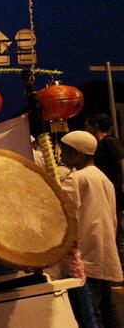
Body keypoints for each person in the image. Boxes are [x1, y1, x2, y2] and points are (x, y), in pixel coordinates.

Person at [59, 130, 123, 327]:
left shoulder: (76, 179)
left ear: (76, 154)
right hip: (105, 252)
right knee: (108, 308)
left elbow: (61, 209)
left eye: (64, 152)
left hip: (86, 254)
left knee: (89, 312)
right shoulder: (104, 179)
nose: (61, 156)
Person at [86, 113, 124, 276]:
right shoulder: (101, 144)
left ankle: (119, 264)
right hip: (110, 188)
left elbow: (122, 161)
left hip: (115, 188)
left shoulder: (109, 142)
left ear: (95, 125)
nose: (86, 128)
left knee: (116, 225)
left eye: (88, 125)